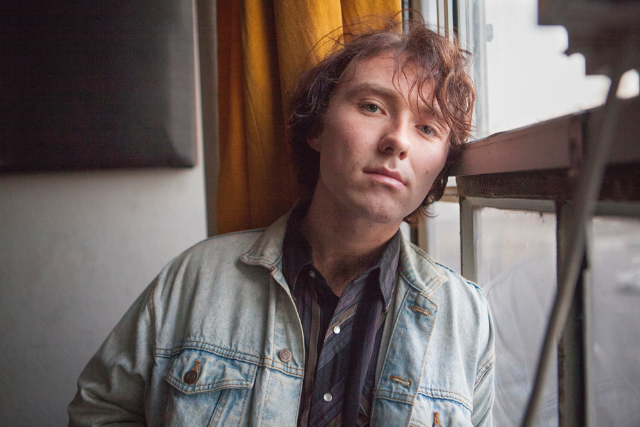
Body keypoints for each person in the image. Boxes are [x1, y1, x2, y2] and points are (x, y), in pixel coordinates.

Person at [68, 16, 494, 427]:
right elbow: (99, 410)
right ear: (317, 128)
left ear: (441, 167)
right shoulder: (196, 278)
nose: (397, 140)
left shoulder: (465, 318)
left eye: (427, 128)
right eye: (372, 106)